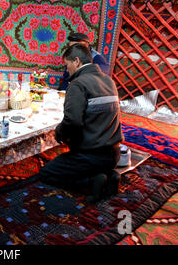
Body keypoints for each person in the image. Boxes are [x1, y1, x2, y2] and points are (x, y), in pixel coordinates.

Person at [39, 43, 124, 202]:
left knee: (46, 173)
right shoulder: (108, 80)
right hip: (114, 154)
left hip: (92, 156)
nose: (67, 70)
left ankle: (91, 182)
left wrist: (59, 133)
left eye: (67, 65)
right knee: (82, 161)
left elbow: (73, 122)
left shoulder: (78, 84)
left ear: (76, 61)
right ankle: (111, 175)